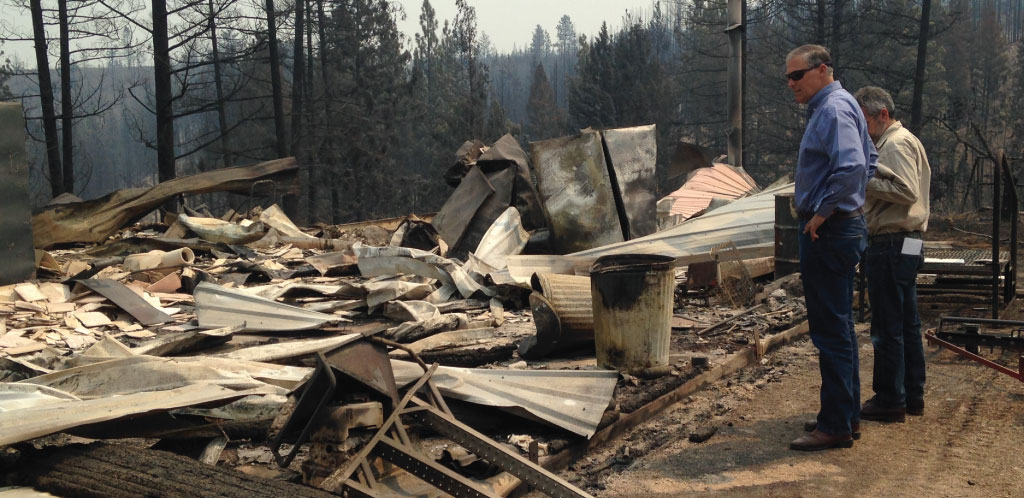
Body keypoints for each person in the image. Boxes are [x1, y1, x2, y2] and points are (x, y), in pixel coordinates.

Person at [785, 45, 876, 451]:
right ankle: (844, 417)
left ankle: (836, 425)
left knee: (831, 331)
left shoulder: (834, 109)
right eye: (787, 78)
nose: (791, 84)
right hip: (840, 227)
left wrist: (823, 213)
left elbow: (855, 166)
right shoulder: (842, 105)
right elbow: (870, 159)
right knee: (838, 327)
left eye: (797, 76)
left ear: (822, 70)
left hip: (830, 232)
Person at [853, 86, 931, 422]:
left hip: (891, 242)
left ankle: (890, 398)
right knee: (907, 322)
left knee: (887, 324)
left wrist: (861, 180)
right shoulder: (902, 141)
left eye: (865, 121)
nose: (862, 130)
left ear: (882, 114)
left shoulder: (895, 144)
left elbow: (906, 190)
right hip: (906, 242)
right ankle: (911, 395)